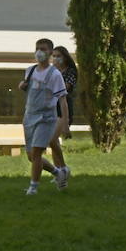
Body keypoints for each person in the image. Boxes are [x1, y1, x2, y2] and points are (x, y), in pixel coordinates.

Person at [18, 37, 70, 195]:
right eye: (37, 48)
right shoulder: (30, 70)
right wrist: (22, 86)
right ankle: (58, 172)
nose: (39, 52)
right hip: (29, 116)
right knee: (31, 156)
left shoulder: (55, 75)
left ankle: (33, 187)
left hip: (46, 118)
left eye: (43, 49)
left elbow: (63, 100)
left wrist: (65, 123)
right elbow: (27, 87)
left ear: (50, 53)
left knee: (36, 153)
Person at [45, 45, 79, 186]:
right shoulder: (51, 71)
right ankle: (59, 172)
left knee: (52, 140)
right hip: (51, 108)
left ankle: (64, 169)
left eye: (59, 56)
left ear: (65, 57)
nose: (56, 58)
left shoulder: (70, 71)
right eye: (54, 56)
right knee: (53, 142)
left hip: (63, 109)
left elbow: (64, 88)